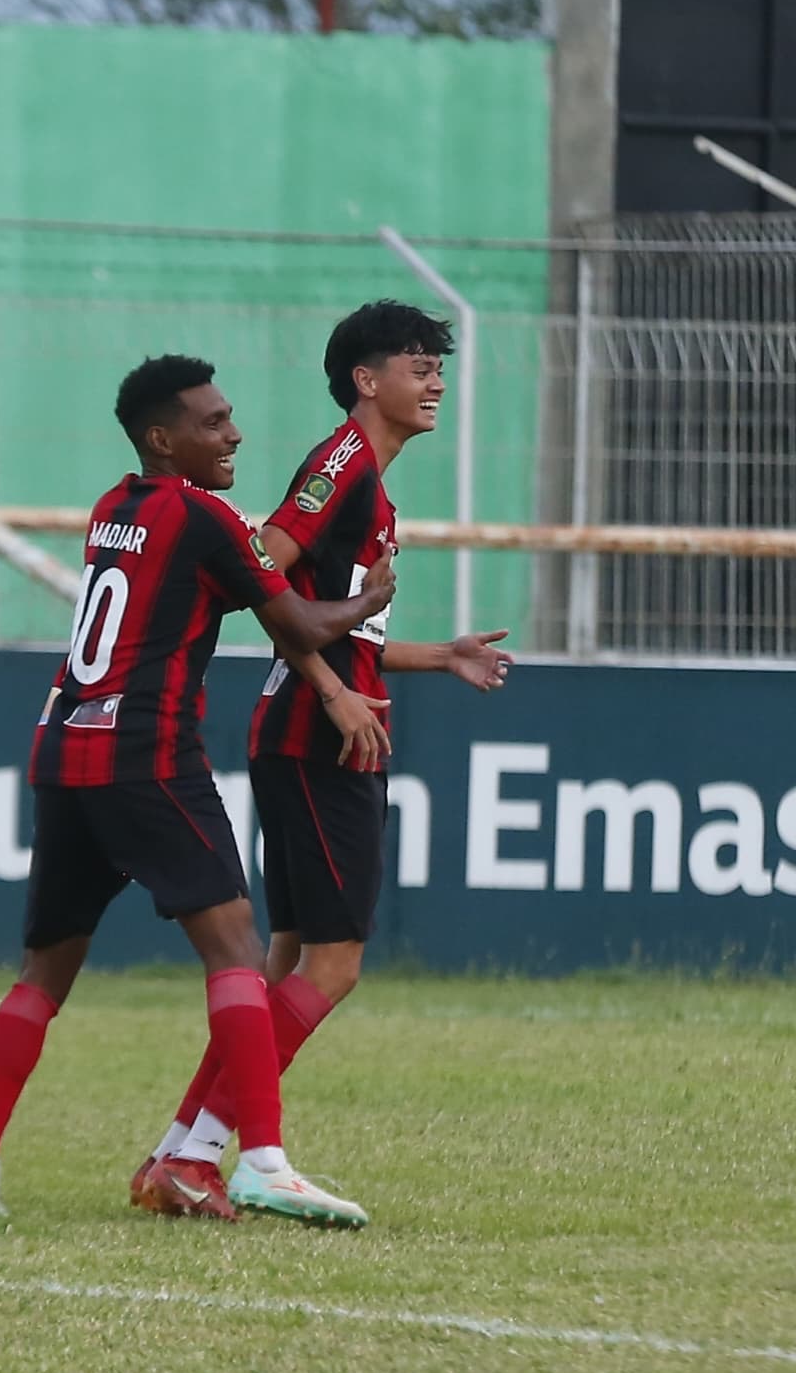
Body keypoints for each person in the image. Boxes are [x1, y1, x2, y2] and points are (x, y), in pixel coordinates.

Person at [0, 353, 393, 1228]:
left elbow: (195, 599)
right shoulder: (205, 518)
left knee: (43, 973)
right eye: (213, 423)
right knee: (236, 949)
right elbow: (298, 622)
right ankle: (260, 1158)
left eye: (229, 418)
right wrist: (366, 599)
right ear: (164, 438)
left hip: (64, 745)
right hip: (147, 753)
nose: (233, 435)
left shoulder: (113, 509)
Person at [132, 301, 512, 1223]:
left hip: (308, 728)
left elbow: (334, 622)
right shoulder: (342, 464)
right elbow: (260, 569)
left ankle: (180, 1154)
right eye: (417, 365)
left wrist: (433, 655)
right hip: (318, 738)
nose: (435, 382)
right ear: (364, 381)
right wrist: (336, 691)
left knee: (286, 963)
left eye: (437, 366)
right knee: (333, 965)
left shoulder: (369, 485)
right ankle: (226, 1154)